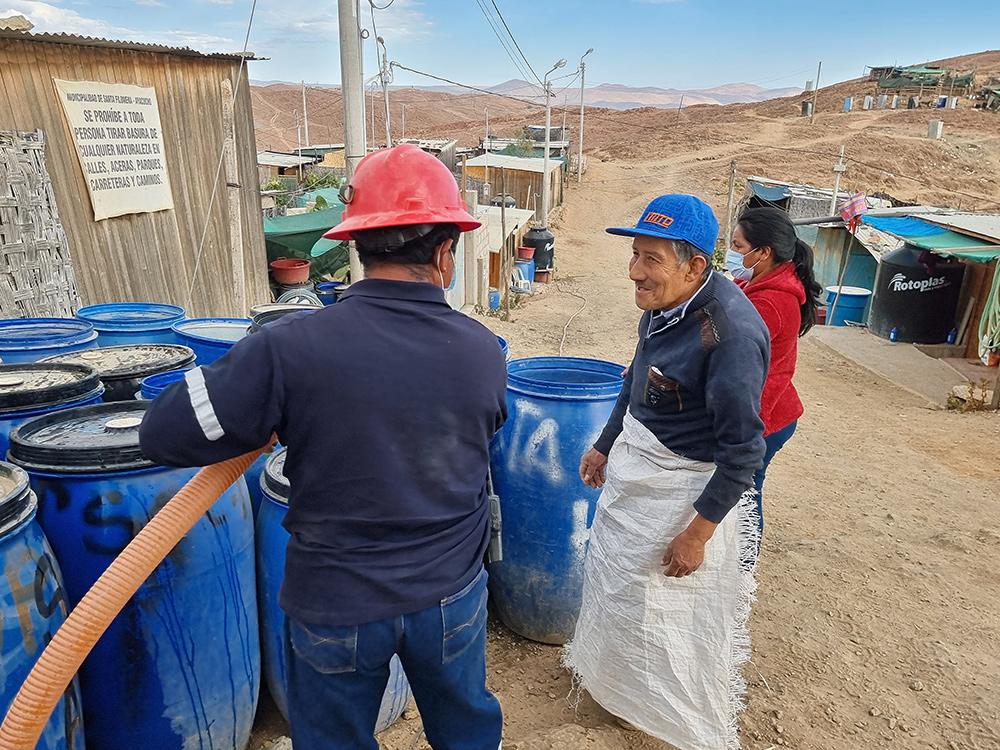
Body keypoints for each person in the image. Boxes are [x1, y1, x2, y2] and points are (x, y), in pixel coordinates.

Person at [139, 144, 506, 750]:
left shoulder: (287, 349)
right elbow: (478, 436)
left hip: (337, 603)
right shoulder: (484, 351)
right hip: (449, 595)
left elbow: (163, 432)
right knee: (465, 731)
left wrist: (269, 409)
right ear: (446, 251)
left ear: (356, 246)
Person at [565, 194, 770, 750]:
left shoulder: (729, 336)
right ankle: (616, 687)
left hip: (680, 494)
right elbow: (639, 377)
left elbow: (744, 452)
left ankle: (660, 713)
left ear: (695, 265)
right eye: (635, 255)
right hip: (638, 472)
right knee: (622, 593)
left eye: (651, 260)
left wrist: (697, 534)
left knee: (664, 614)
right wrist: (607, 443)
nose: (635, 272)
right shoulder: (663, 307)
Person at [726, 206, 821, 531]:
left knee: (742, 496)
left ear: (764, 252)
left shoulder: (772, 303)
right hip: (770, 409)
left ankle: (744, 569)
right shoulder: (767, 283)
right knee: (741, 492)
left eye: (738, 247)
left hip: (765, 416)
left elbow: (723, 345)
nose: (734, 253)